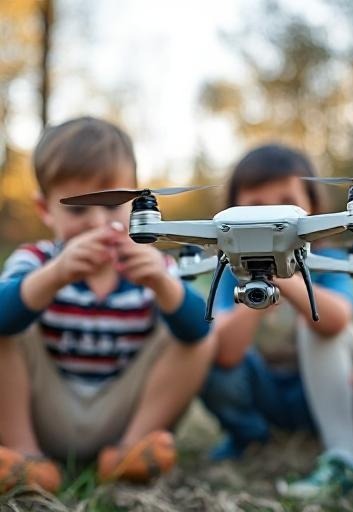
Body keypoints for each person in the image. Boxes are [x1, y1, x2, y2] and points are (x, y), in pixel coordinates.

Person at [0, 117, 214, 494]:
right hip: (44, 414)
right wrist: (55, 275)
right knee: (9, 323)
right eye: (78, 210)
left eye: (113, 206)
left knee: (193, 327)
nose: (98, 223)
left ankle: (128, 453)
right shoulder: (35, 259)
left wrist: (163, 284)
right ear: (45, 209)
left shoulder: (152, 266)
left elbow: (199, 330)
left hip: (121, 416)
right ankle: (25, 457)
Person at [201, 143, 353, 500]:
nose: (268, 217)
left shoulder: (327, 261)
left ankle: (345, 446)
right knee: (207, 354)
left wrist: (288, 281)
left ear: (312, 209)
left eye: (285, 201)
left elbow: (336, 321)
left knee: (317, 325)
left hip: (319, 392)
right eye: (254, 207)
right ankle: (250, 436)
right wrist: (254, 292)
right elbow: (224, 355)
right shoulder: (228, 271)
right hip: (265, 393)